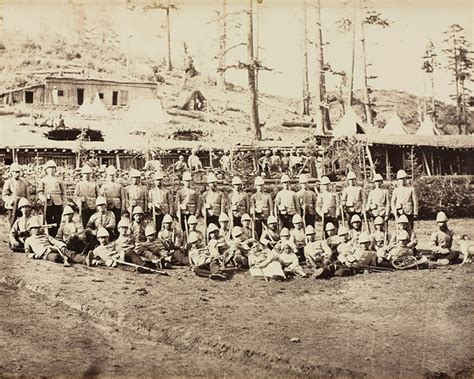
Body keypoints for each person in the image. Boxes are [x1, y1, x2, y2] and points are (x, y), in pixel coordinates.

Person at [24, 217, 89, 266]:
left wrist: (62, 246)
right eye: (34, 228)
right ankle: (66, 258)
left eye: (38, 228)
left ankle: (85, 260)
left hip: (55, 248)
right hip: (46, 253)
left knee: (69, 252)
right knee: (56, 257)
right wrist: (34, 256)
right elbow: (27, 253)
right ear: (30, 230)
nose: (36, 230)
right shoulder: (28, 240)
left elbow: (54, 241)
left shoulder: (45, 236)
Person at [37, 160, 65, 236]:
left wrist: (64, 203)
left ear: (55, 169)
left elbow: (63, 193)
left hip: (58, 202)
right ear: (46, 169)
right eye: (49, 168)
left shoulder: (59, 180)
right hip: (48, 203)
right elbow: (39, 192)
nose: (51, 170)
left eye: (53, 168)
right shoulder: (43, 180)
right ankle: (50, 235)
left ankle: (57, 236)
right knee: (48, 220)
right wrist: (43, 198)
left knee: (57, 220)